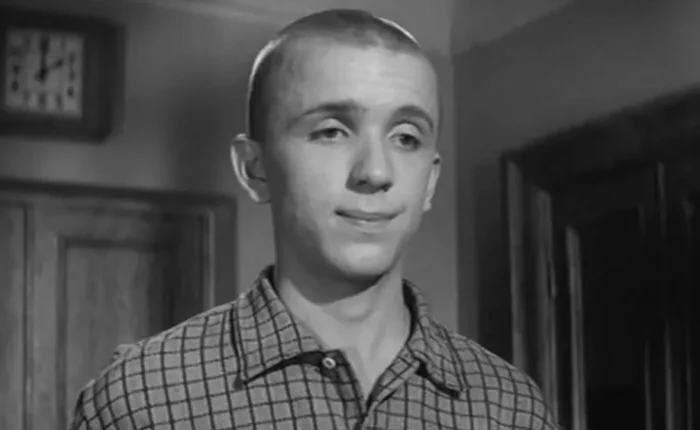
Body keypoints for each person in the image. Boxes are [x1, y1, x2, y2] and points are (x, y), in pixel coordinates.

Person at [70, 8, 558, 429]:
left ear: (430, 181)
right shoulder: (141, 402)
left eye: (406, 137)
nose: (375, 172)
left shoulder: (510, 410)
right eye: (331, 131)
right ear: (255, 169)